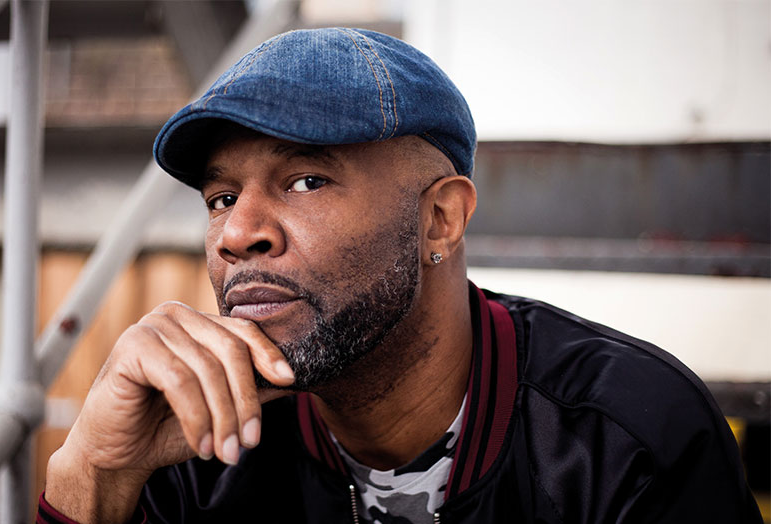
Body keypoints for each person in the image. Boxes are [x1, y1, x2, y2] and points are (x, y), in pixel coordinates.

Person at [39, 28, 761, 524]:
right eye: (221, 198)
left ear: (440, 220)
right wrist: (95, 474)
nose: (236, 233)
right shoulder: (201, 445)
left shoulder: (628, 439)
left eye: (306, 181)